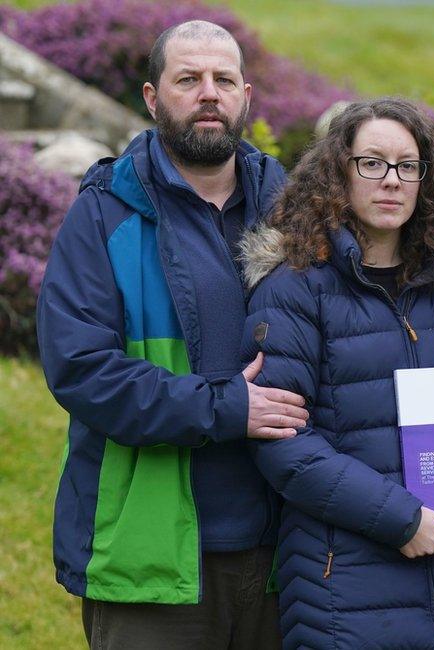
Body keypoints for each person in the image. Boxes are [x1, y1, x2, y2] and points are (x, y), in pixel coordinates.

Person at [36, 20, 308, 649]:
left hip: (285, 554)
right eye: (188, 79)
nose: (208, 93)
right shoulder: (105, 213)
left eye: (224, 80)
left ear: (246, 97)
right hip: (151, 557)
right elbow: (81, 368)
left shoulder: (296, 212)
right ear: (154, 99)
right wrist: (223, 406)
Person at [238, 97, 434, 650]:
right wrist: (397, 519)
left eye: (408, 166)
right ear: (340, 172)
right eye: (372, 163)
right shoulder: (294, 289)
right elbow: (281, 442)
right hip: (345, 588)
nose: (392, 180)